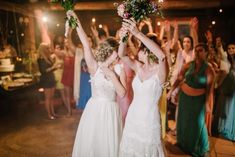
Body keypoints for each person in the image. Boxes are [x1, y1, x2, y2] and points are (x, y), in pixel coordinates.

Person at [67, 11, 126, 157]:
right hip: (94, 110)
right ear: (109, 51)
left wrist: (111, 74)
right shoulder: (95, 67)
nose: (118, 54)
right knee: (93, 144)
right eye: (115, 51)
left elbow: (123, 93)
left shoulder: (119, 69)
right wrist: (76, 22)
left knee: (109, 146)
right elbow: (86, 45)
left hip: (111, 111)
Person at [118, 18, 167, 156]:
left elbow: (161, 55)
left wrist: (138, 33)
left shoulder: (160, 71)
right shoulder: (138, 67)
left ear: (149, 51)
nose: (138, 51)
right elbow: (121, 54)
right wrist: (124, 36)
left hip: (149, 118)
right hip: (133, 115)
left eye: (141, 48)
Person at [167, 43, 214, 156]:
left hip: (198, 100)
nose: (197, 53)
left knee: (198, 123)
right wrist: (170, 91)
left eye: (201, 50)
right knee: (183, 120)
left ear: (206, 53)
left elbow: (209, 89)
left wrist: (208, 104)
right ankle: (182, 143)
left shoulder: (208, 69)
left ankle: (202, 147)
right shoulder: (188, 65)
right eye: (196, 51)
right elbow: (179, 79)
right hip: (184, 98)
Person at [214, 42, 235, 141]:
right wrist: (219, 46)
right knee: (224, 106)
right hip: (226, 85)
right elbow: (221, 55)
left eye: (233, 48)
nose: (231, 50)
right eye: (229, 48)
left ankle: (230, 128)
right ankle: (222, 127)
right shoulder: (226, 59)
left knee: (231, 108)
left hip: (233, 86)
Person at [37, 43, 60, 120]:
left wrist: (55, 67)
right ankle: (49, 114)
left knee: (52, 97)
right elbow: (43, 71)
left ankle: (53, 113)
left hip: (51, 78)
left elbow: (50, 69)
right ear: (43, 49)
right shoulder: (41, 59)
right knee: (47, 98)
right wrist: (54, 67)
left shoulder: (48, 57)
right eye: (47, 48)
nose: (49, 49)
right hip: (46, 79)